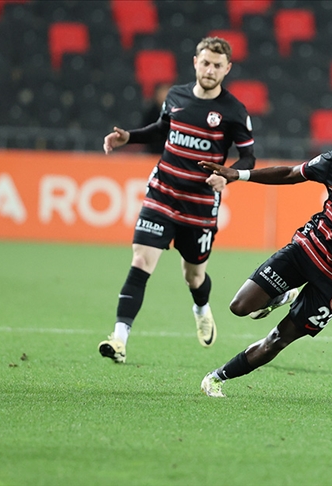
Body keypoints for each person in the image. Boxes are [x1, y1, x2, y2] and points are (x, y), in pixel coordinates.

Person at [198, 108, 332, 398]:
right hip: (308, 249)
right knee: (239, 306)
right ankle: (281, 296)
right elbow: (291, 174)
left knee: (279, 338)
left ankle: (216, 378)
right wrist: (238, 174)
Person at [98, 37, 256, 363]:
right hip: (163, 194)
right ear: (195, 62)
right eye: (205, 63)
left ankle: (201, 308)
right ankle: (119, 339)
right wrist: (130, 137)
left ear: (227, 69)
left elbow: (249, 158)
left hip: (199, 205)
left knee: (193, 277)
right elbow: (162, 129)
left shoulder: (233, 111)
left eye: (217, 65)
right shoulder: (176, 96)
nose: (210, 70)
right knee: (141, 261)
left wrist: (227, 175)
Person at [143, 83, 172, 155]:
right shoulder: (151, 115)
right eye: (162, 93)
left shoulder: (179, 113)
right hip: (154, 154)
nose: (164, 97)